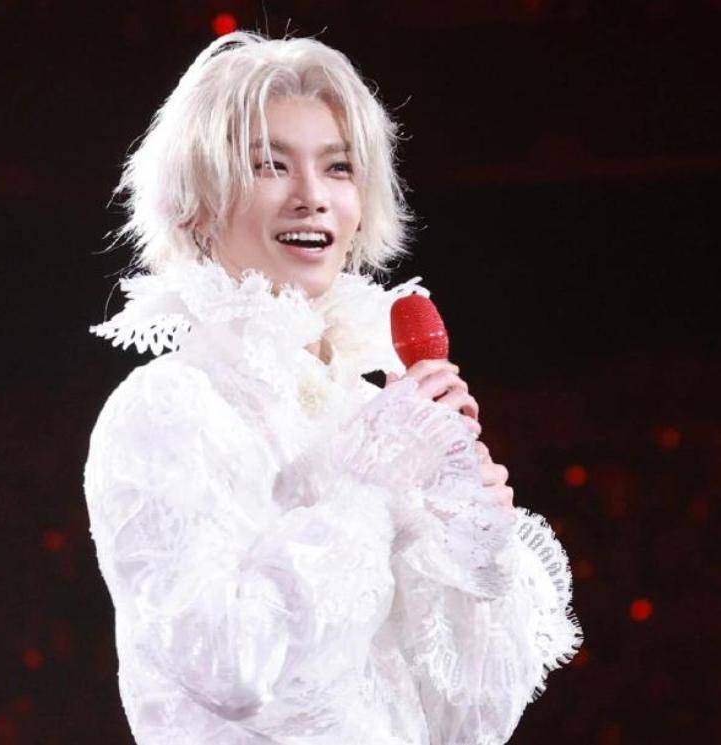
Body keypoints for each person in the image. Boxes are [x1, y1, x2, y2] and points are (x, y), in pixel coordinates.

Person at [84, 31, 582, 745]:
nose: (312, 197)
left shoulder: (368, 411)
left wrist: (465, 544)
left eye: (338, 167)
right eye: (269, 165)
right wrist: (370, 493)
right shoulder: (165, 407)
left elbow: (466, 724)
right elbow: (230, 667)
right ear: (196, 207)